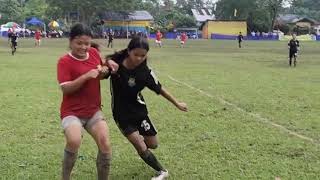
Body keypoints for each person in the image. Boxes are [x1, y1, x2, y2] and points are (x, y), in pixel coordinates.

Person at [105, 37, 188, 180]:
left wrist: (177, 103)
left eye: (143, 56)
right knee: (139, 145)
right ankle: (162, 171)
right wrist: (107, 63)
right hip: (121, 114)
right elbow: (102, 65)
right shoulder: (117, 63)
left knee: (153, 144)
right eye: (136, 54)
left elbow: (160, 89)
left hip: (139, 111)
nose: (139, 58)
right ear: (129, 51)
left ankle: (144, 150)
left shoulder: (145, 73)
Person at [57, 23, 118, 180]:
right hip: (71, 112)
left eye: (87, 43)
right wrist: (85, 76)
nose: (83, 47)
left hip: (93, 111)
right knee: (74, 140)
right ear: (70, 41)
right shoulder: (64, 61)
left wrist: (107, 66)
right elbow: (66, 89)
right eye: (79, 43)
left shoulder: (94, 52)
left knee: (105, 143)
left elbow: (101, 69)